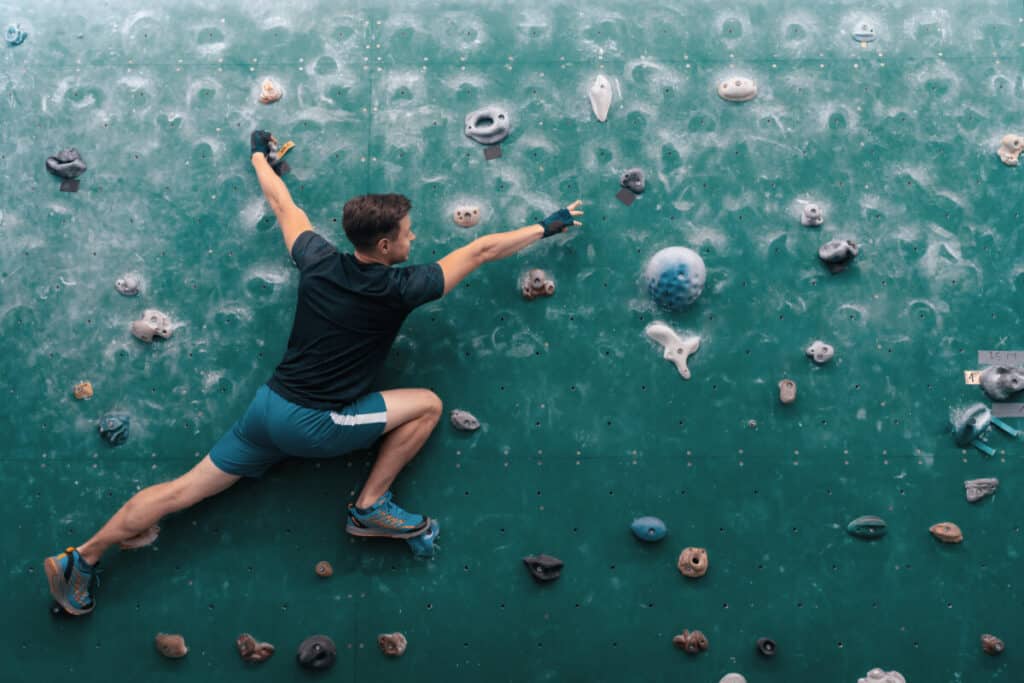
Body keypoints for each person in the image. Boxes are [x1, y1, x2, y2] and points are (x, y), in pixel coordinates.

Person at [43, 130, 584, 616]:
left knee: (182, 490)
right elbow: (484, 248)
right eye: (409, 233)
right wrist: (546, 226)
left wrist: (259, 154)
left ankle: (81, 557)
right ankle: (369, 507)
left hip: (266, 411)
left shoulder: (318, 257)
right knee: (428, 405)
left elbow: (282, 203)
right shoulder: (402, 287)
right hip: (316, 423)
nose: (414, 240)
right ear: (387, 246)